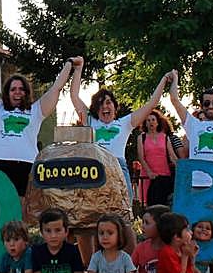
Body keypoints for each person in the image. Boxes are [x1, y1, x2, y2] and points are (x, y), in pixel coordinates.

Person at [71, 64, 171, 197]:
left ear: (114, 106)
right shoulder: (90, 121)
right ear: (95, 109)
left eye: (108, 102)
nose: (104, 107)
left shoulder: (124, 123)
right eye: (100, 104)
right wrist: (78, 69)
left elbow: (152, 103)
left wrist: (164, 79)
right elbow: (74, 96)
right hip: (95, 168)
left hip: (118, 166)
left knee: (123, 208)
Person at [0, 59, 75, 197]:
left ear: (26, 92)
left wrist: (69, 63)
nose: (17, 92)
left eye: (21, 89)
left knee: (25, 209)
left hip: (27, 165)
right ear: (7, 93)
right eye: (13, 89)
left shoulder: (36, 110)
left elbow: (56, 87)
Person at [10, 208, 83, 273]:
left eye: (58, 230)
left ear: (66, 231)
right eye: (48, 231)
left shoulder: (72, 250)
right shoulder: (37, 251)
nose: (53, 235)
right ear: (41, 233)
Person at [134, 109, 182, 208]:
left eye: (153, 120)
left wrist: (182, 168)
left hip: (164, 175)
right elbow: (141, 157)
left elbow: (172, 156)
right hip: (148, 176)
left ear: (157, 122)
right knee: (149, 205)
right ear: (145, 123)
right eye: (148, 120)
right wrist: (149, 172)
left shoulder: (164, 137)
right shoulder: (141, 138)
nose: (151, 122)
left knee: (164, 205)